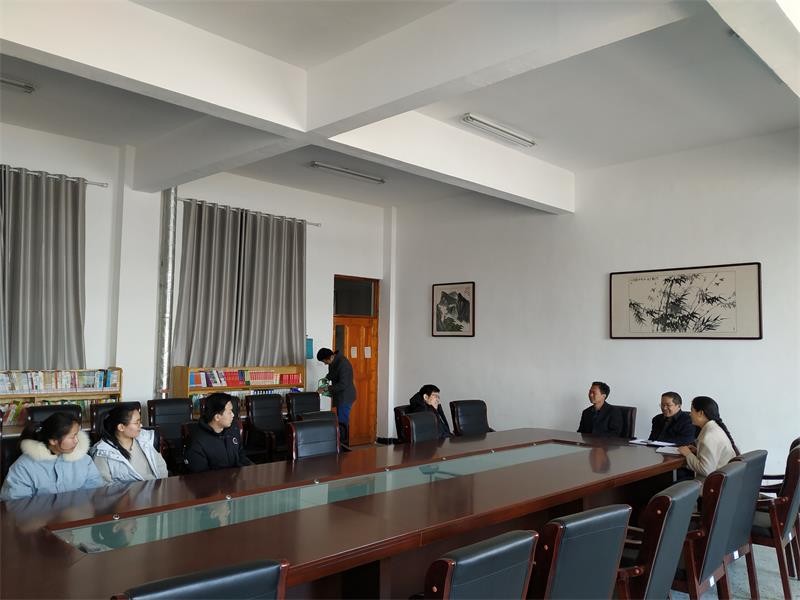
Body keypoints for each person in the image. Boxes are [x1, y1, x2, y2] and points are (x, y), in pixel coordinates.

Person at [0, 412, 104, 501]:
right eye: (72, 436)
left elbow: (95, 492)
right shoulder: (24, 467)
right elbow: (15, 506)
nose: (77, 440)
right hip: (38, 517)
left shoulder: (84, 459)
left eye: (77, 434)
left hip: (79, 515)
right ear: (53, 441)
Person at [90, 404, 169, 484]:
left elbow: (160, 467)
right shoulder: (103, 452)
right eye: (136, 422)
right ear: (121, 427)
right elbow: (104, 485)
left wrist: (161, 486)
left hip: (156, 488)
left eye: (140, 421)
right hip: (129, 492)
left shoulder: (145, 439)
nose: (141, 425)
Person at [185, 393, 252, 473]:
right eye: (229, 412)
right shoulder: (197, 442)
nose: (233, 415)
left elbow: (241, 455)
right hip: (213, 480)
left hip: (236, 478)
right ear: (217, 417)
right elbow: (201, 476)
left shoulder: (233, 428)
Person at [678, 396, 739, 480]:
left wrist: (688, 454)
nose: (690, 414)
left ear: (701, 413)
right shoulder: (714, 428)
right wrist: (698, 451)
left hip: (712, 484)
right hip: (724, 480)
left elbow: (705, 470)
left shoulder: (709, 436)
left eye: (692, 410)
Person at [317, 348, 356, 445]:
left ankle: (344, 445)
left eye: (325, 361)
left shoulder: (343, 364)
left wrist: (326, 388)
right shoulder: (334, 361)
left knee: (343, 421)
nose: (325, 364)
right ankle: (340, 444)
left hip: (345, 396)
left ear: (331, 357)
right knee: (340, 420)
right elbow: (332, 374)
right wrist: (325, 379)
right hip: (340, 395)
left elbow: (343, 384)